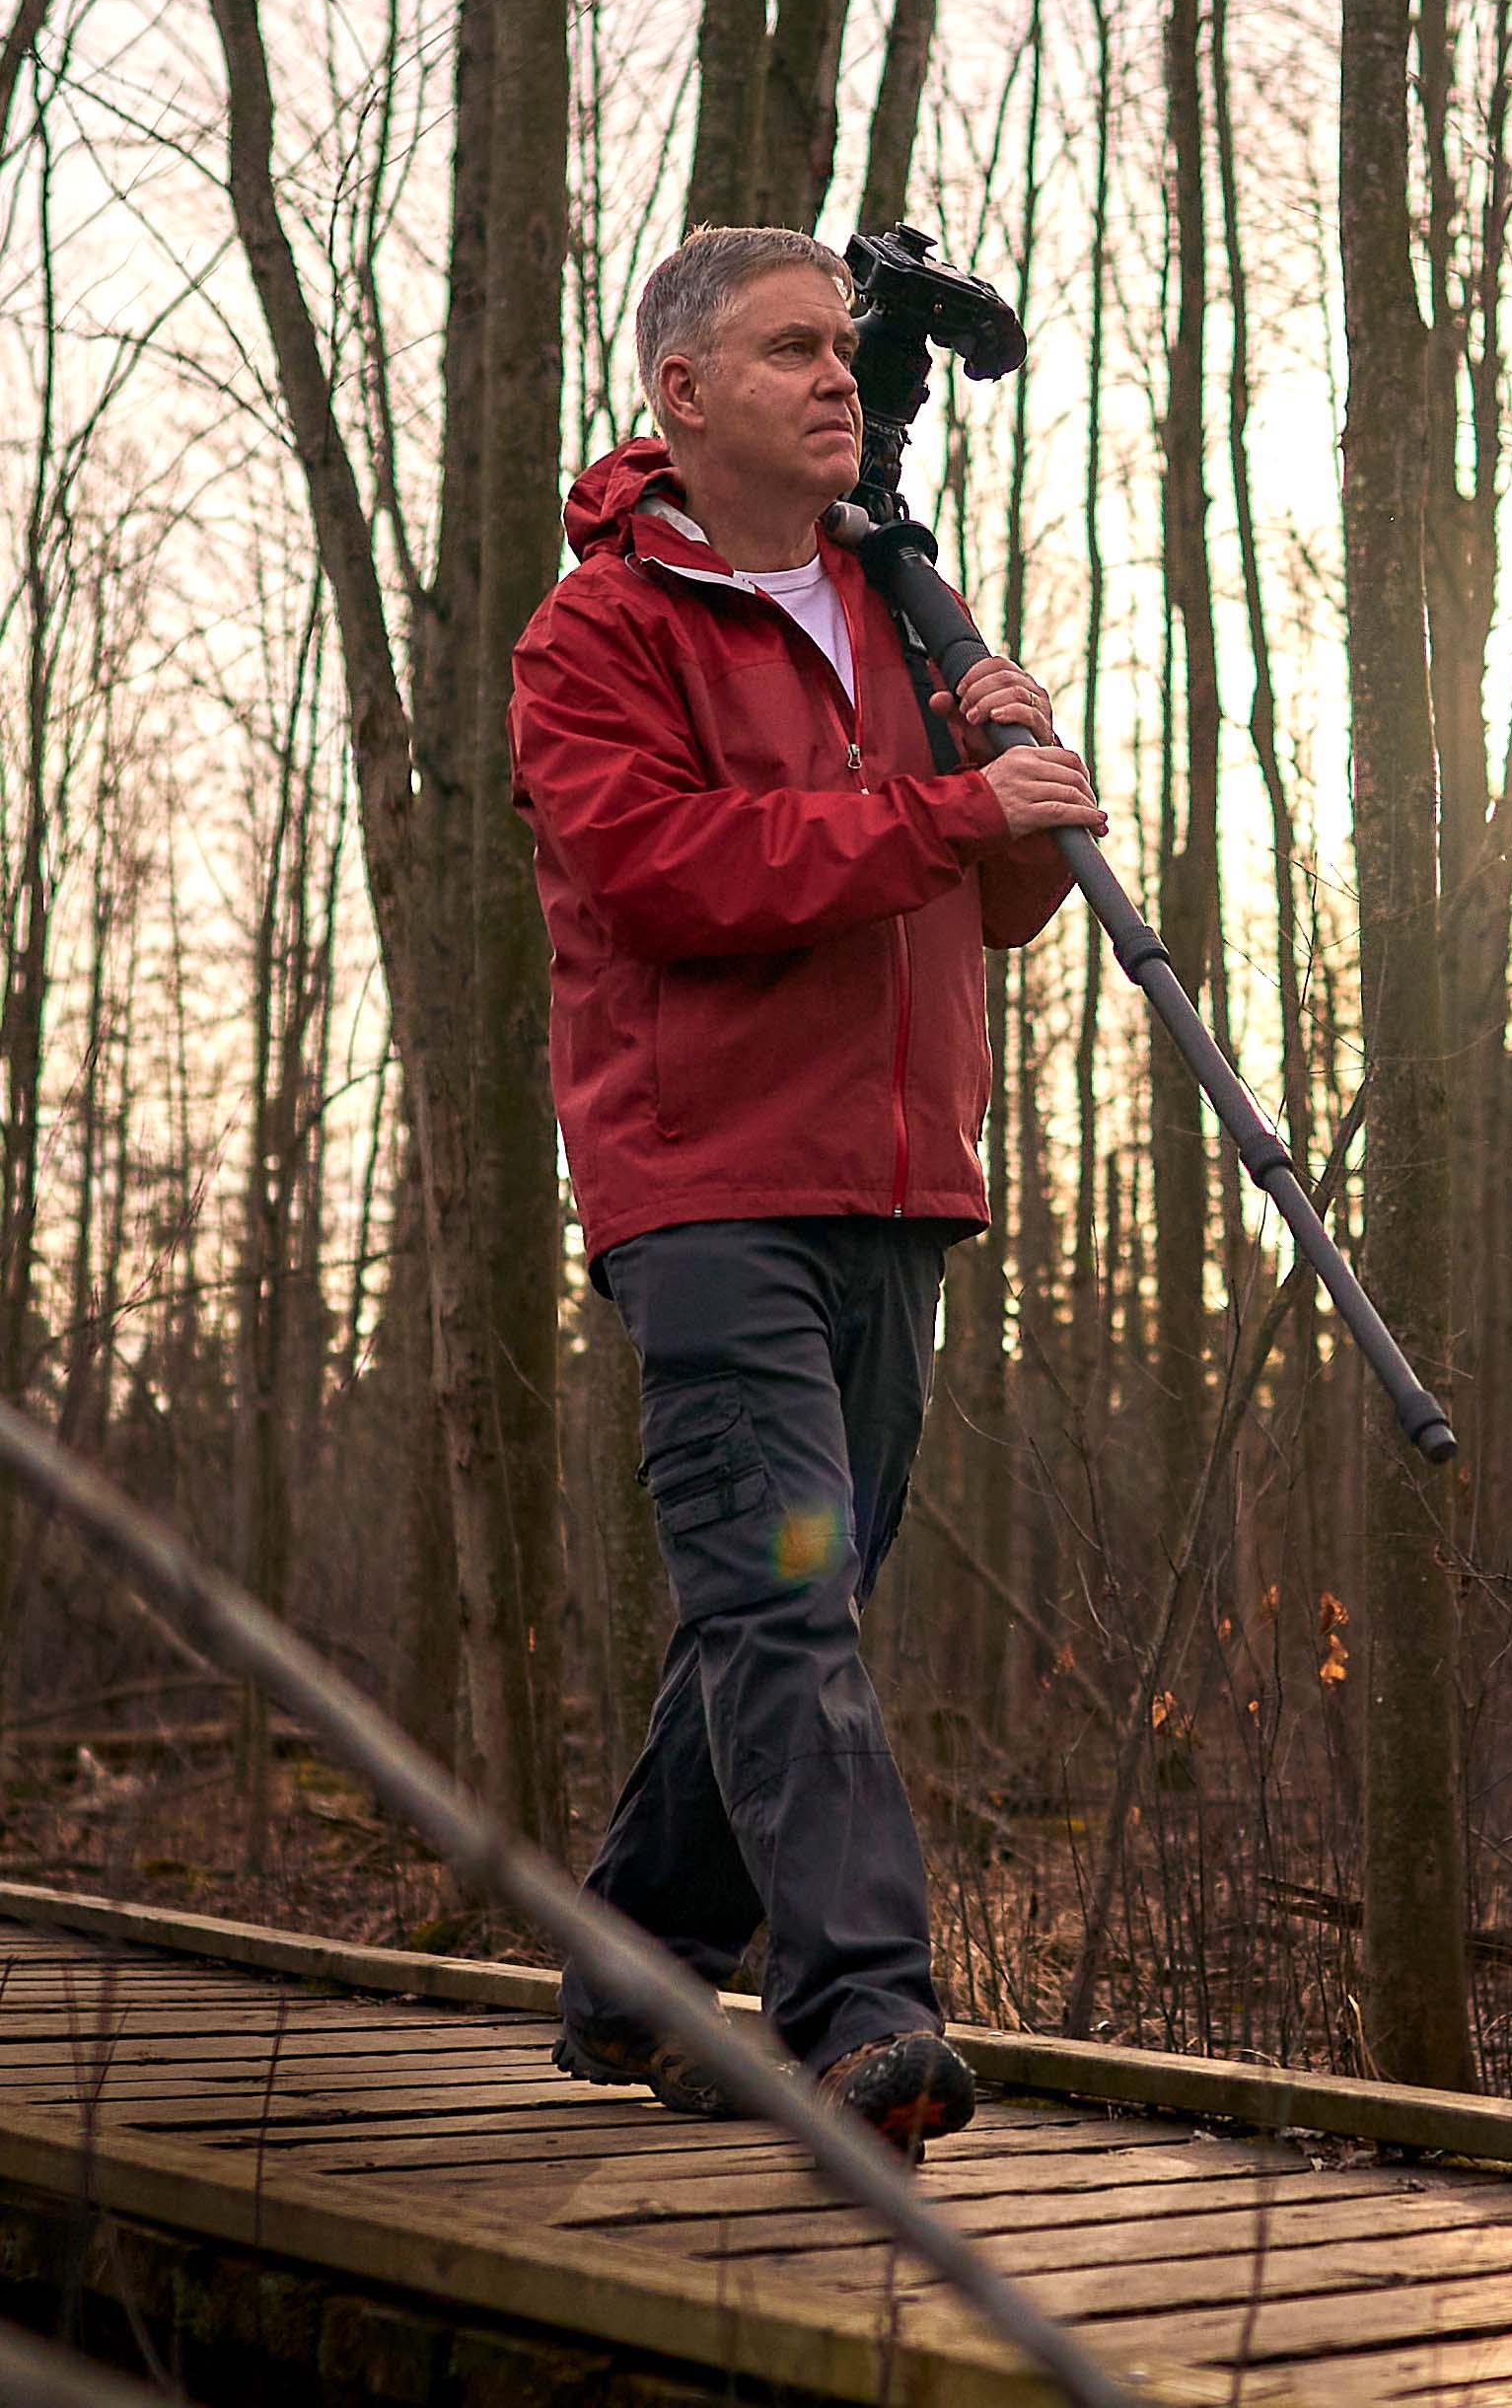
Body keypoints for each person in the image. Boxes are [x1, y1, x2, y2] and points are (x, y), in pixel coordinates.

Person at [507, 226, 1105, 2153]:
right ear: (681, 397)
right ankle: (863, 2009)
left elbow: (998, 906)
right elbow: (669, 872)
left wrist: (1016, 770)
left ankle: (634, 1963)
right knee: (781, 1597)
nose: (841, 378)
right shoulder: (598, 635)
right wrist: (941, 810)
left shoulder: (898, 611)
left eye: (846, 351)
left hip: (898, 1185)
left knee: (799, 1583)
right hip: (710, 1194)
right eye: (790, 351)